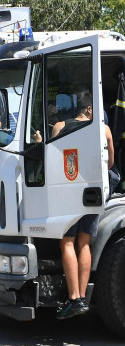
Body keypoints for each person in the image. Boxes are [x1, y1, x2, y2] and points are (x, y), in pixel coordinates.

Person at [54, 91, 115, 320]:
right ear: (90, 109)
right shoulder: (104, 130)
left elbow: (53, 161)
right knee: (84, 244)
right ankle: (81, 300)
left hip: (68, 192)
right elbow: (109, 164)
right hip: (93, 193)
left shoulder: (60, 127)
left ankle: (74, 298)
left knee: (67, 243)